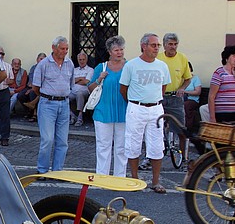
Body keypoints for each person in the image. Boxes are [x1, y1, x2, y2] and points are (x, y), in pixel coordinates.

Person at [120, 33, 171, 192]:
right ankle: (135, 179)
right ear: (144, 46)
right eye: (153, 45)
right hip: (136, 108)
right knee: (133, 144)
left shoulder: (162, 66)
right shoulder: (131, 65)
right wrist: (135, 102)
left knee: (157, 145)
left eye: (158, 45)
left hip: (156, 108)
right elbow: (123, 89)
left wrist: (153, 100)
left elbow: (163, 87)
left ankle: (155, 181)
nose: (156, 48)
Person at [32, 36, 74, 172]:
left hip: (64, 104)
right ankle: (42, 169)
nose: (65, 51)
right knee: (47, 139)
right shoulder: (43, 64)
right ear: (53, 48)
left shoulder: (69, 63)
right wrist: (46, 96)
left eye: (66, 49)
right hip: (47, 104)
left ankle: (58, 170)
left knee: (62, 141)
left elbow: (71, 84)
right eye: (62, 48)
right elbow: (35, 87)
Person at [90, 36, 128, 176]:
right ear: (110, 51)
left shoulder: (129, 66)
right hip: (103, 111)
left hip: (123, 111)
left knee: (121, 148)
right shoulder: (101, 67)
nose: (120, 52)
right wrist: (99, 78)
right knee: (103, 147)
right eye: (116, 50)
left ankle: (119, 178)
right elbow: (90, 88)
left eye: (121, 49)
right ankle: (101, 177)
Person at [156, 32, 192, 155]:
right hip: (159, 98)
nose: (173, 47)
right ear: (164, 45)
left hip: (175, 99)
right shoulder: (157, 58)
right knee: (155, 129)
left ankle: (184, 157)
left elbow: (188, 78)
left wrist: (182, 88)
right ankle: (151, 157)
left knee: (181, 129)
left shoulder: (182, 58)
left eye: (175, 44)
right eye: (170, 44)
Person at [207, 45, 235, 125]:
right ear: (226, 58)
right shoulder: (219, 73)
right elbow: (211, 96)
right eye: (234, 56)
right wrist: (212, 117)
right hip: (222, 113)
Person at [18, 52, 46, 120]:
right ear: (37, 59)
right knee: (20, 95)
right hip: (31, 86)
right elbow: (30, 80)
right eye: (41, 59)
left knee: (33, 93)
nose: (42, 61)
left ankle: (34, 114)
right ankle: (28, 111)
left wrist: (33, 88)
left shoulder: (46, 69)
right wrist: (32, 87)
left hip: (41, 88)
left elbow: (44, 82)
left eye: (43, 59)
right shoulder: (33, 68)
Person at [69, 51, 93, 127]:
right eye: (80, 59)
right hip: (73, 91)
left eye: (83, 59)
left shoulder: (90, 70)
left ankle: (80, 117)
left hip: (84, 91)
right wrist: (80, 78)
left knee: (79, 94)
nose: (82, 61)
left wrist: (76, 81)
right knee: (63, 96)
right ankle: (72, 115)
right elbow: (70, 82)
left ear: (86, 60)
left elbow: (86, 82)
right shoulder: (74, 70)